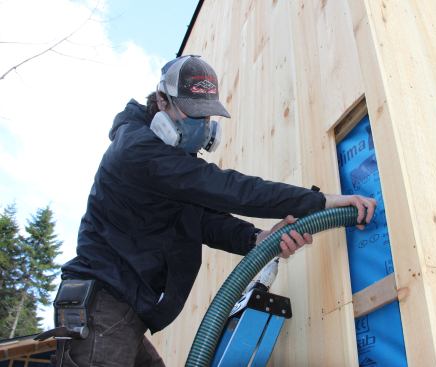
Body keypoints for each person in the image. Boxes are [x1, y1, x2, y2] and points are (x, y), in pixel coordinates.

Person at [56, 55, 376, 366]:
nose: (203, 126)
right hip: (103, 307)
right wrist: (321, 202)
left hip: (123, 311)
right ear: (162, 102)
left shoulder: (168, 163)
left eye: (207, 117)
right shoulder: (137, 152)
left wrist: (257, 238)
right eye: (194, 113)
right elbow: (227, 188)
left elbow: (202, 220)